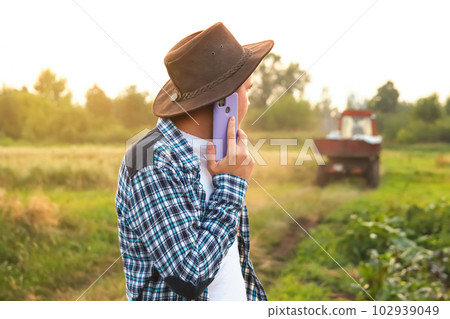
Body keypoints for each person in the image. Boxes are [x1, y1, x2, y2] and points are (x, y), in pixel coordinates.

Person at [115, 22, 274, 301]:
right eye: (247, 89)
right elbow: (190, 276)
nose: (249, 100)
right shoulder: (150, 158)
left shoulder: (222, 153)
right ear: (227, 100)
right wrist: (232, 186)